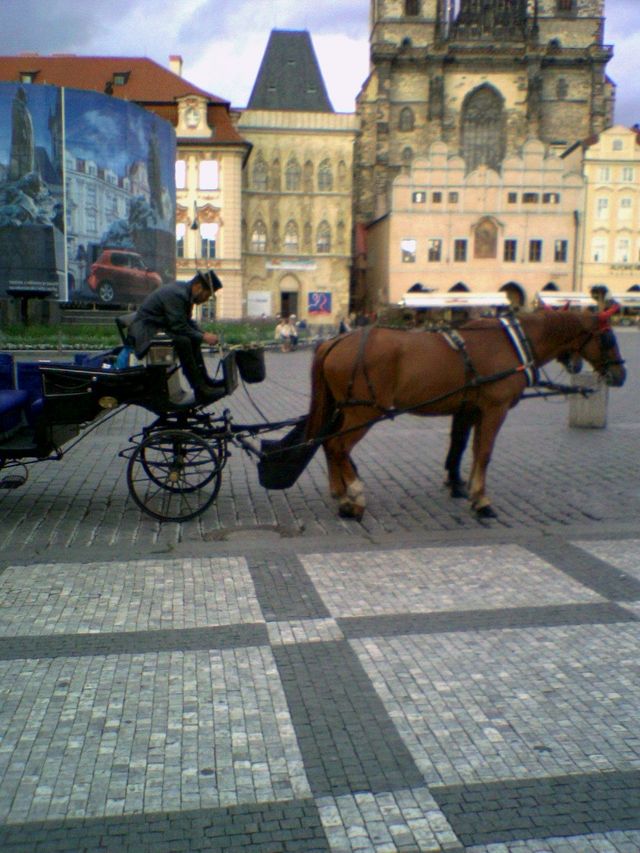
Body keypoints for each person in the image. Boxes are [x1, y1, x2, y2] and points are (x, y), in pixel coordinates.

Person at [128, 269, 223, 403]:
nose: (205, 300)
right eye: (207, 296)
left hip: (157, 329)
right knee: (183, 341)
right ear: (198, 287)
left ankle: (205, 382)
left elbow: (187, 322)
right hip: (147, 334)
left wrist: (202, 334)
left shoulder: (185, 292)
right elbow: (178, 327)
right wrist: (203, 337)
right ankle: (199, 389)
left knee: (192, 339)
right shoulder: (178, 295)